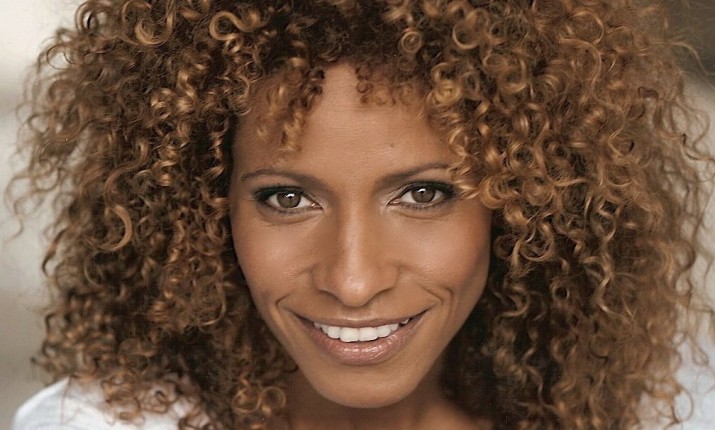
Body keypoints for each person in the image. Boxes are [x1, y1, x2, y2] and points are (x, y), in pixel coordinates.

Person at [9, 0, 715, 429]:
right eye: (287, 199)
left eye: (424, 195)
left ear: (528, 199)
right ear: (203, 208)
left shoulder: (659, 410)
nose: (352, 281)